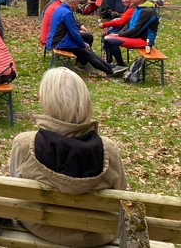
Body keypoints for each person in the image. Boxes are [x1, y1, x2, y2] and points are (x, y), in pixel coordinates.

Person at [9, 67, 126, 246]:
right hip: (95, 236)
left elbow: (14, 188)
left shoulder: (24, 143)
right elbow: (122, 198)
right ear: (85, 101)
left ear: (46, 101)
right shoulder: (108, 149)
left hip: (40, 228)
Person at [47, 0, 114, 76]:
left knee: (88, 50)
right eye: (77, 4)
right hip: (60, 42)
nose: (77, 6)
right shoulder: (67, 13)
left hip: (57, 39)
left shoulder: (60, 8)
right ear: (71, 2)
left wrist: (82, 43)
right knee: (87, 53)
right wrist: (82, 44)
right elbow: (74, 33)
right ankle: (109, 72)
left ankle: (110, 67)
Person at [103, 0, 159, 68]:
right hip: (134, 36)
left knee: (110, 40)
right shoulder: (138, 8)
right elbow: (128, 24)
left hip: (144, 40)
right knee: (107, 36)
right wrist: (118, 34)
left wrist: (119, 35)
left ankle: (121, 65)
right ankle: (111, 62)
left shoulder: (148, 11)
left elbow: (136, 30)